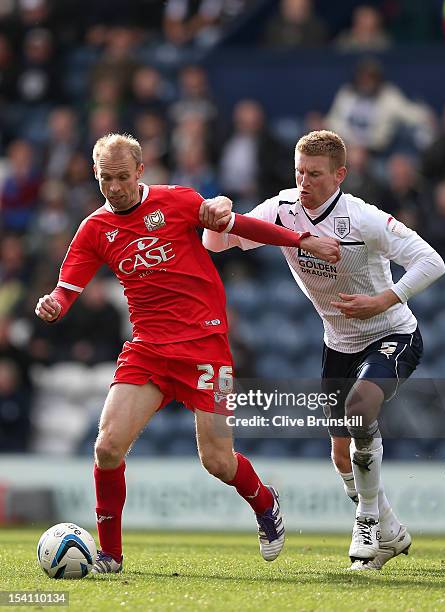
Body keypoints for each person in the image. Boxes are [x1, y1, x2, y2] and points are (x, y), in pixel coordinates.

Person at [35, 132, 340, 573]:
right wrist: (52, 305)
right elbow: (66, 290)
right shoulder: (94, 230)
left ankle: (265, 500)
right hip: (147, 350)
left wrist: (300, 240)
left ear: (140, 171)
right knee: (106, 448)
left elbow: (236, 224)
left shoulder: (176, 201)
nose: (115, 187)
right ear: (95, 175)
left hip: (206, 348)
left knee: (217, 461)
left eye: (123, 177)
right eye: (106, 179)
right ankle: (110, 555)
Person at [202, 129, 445, 570]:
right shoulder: (281, 209)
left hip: (392, 333)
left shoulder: (364, 218)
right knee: (340, 453)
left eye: (314, 174)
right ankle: (389, 528)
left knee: (360, 407)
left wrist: (384, 299)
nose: (304, 182)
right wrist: (218, 214)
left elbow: (432, 261)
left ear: (340, 175)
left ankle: (368, 521)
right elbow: (216, 245)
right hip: (338, 345)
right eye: (299, 171)